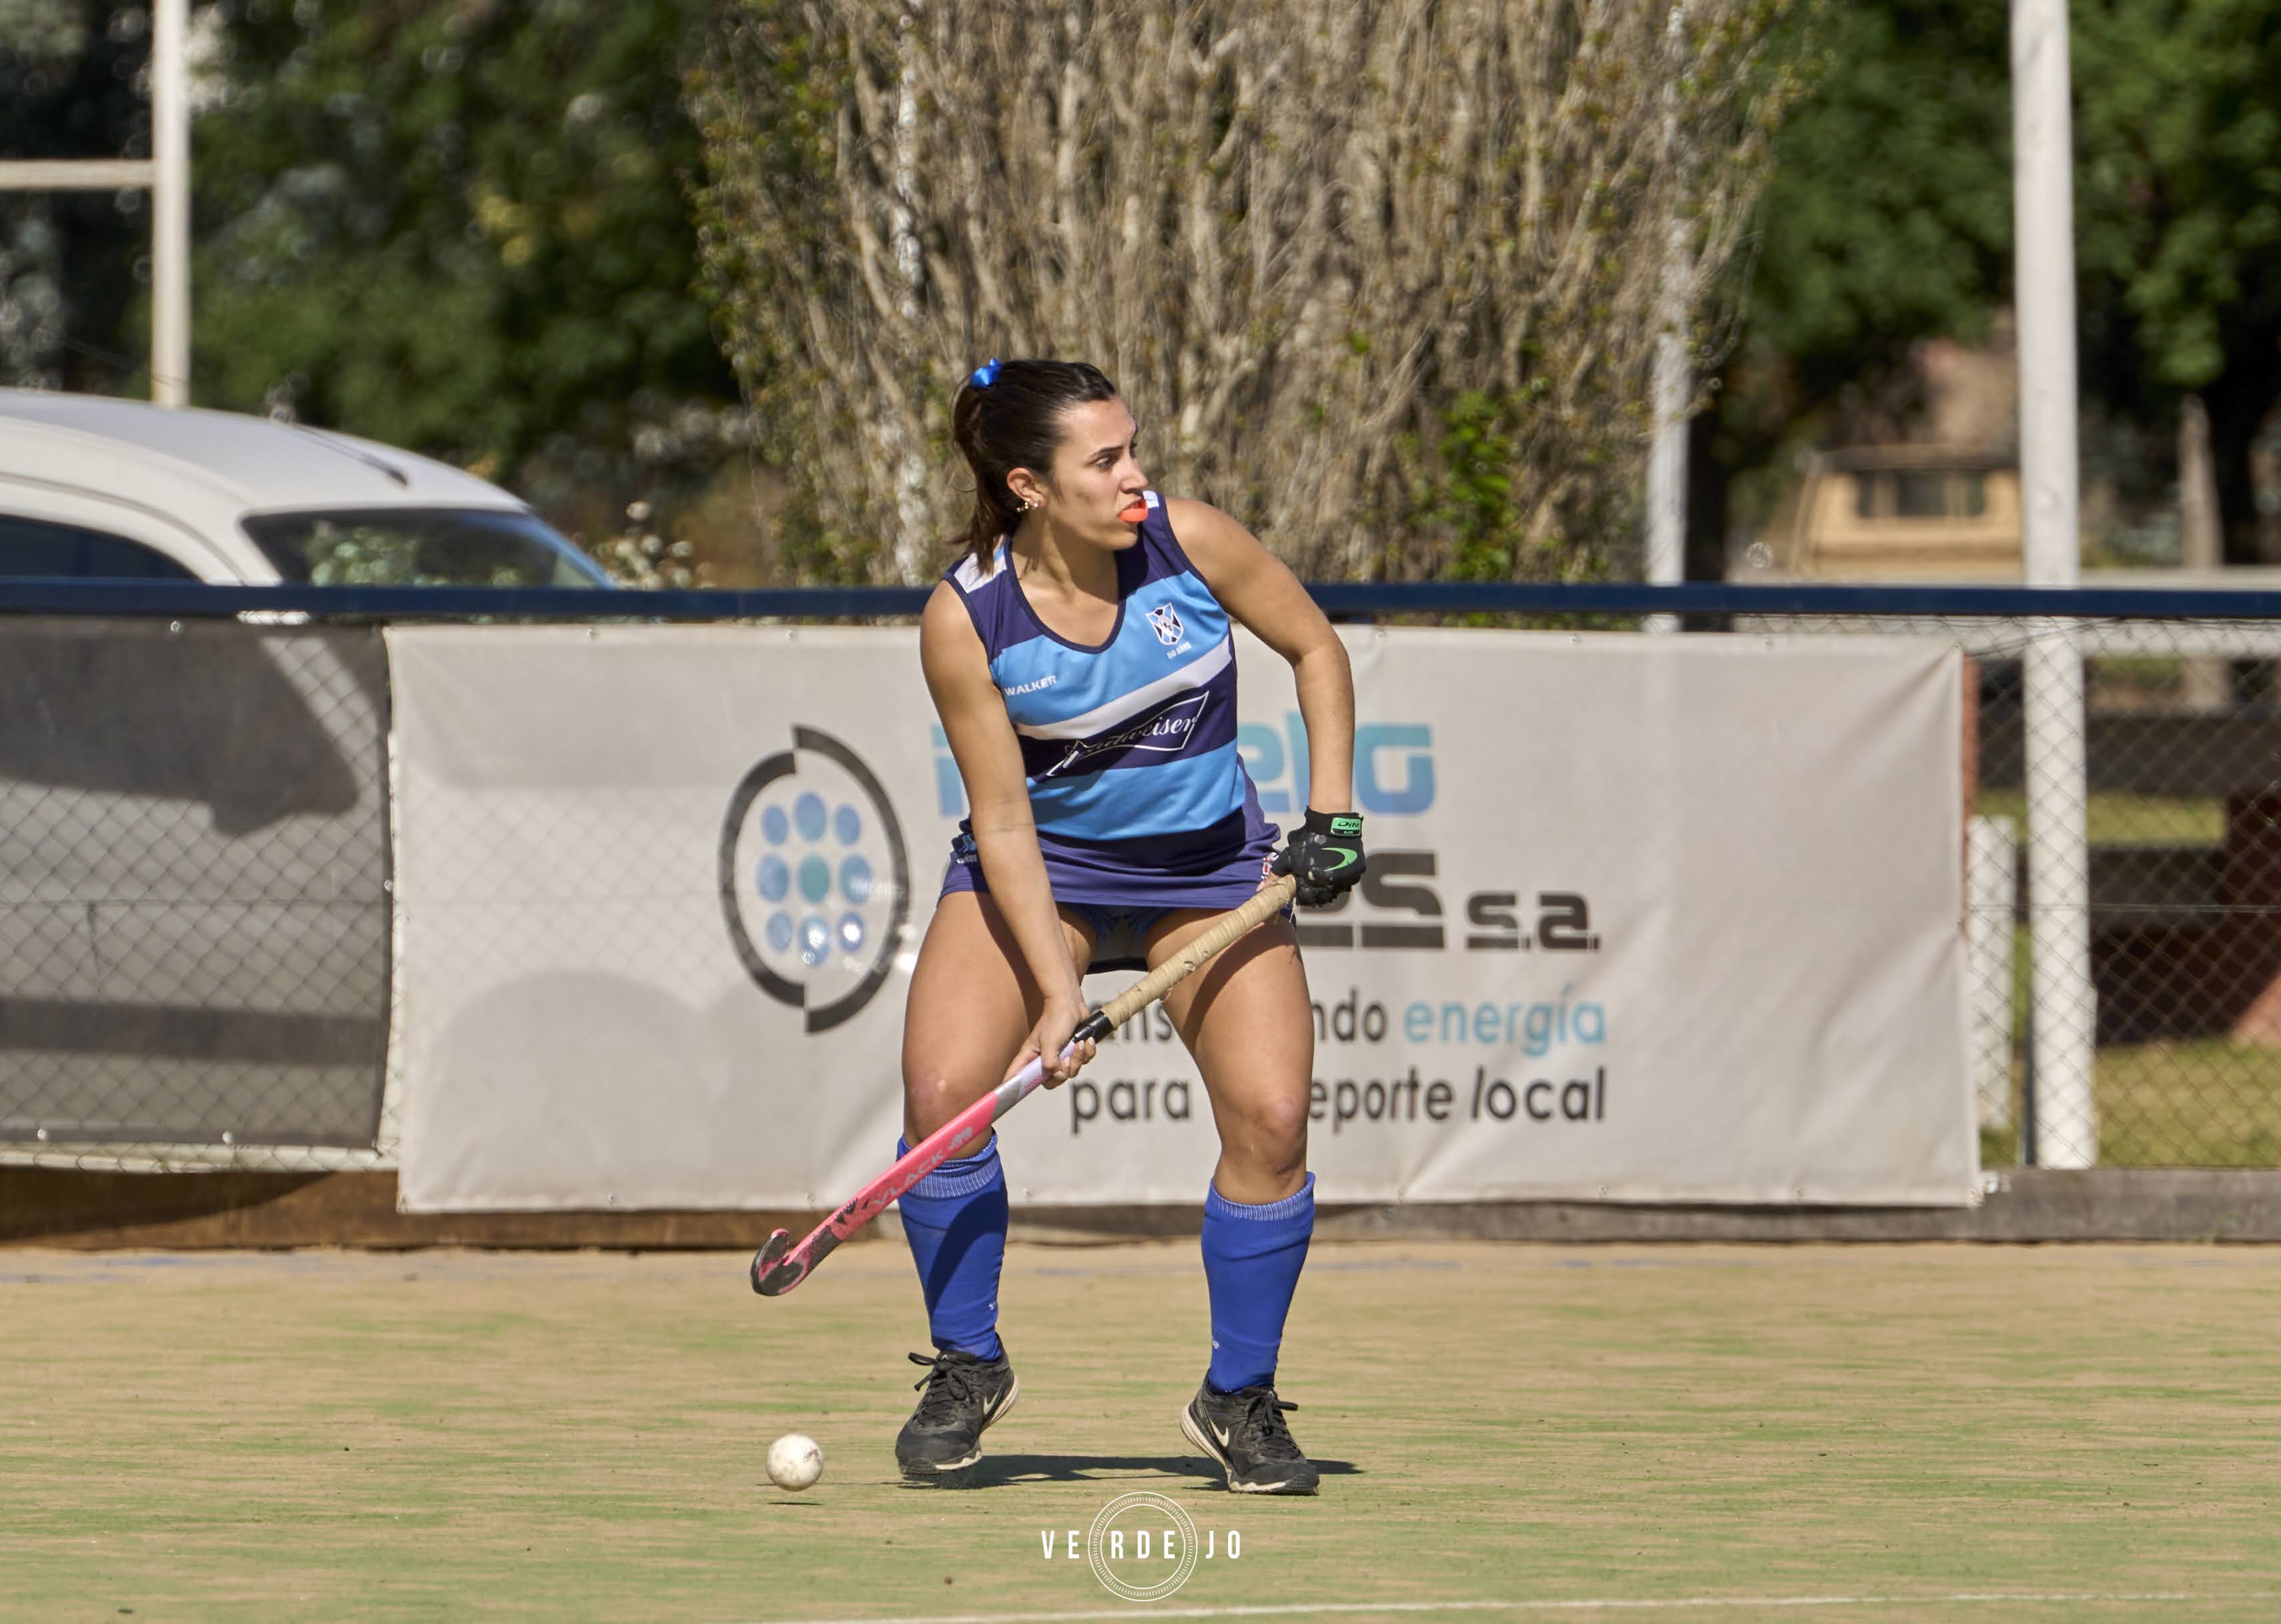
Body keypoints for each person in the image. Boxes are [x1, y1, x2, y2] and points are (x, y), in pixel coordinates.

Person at [892, 357, 1365, 1495]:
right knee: (941, 1099)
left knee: (1272, 1113)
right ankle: (967, 1364)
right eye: (1104, 460)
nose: (1135, 476)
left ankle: (1238, 1393)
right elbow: (1002, 822)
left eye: (1132, 446)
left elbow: (1316, 648)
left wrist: (1332, 814)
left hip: (1206, 874)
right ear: (1028, 487)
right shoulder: (968, 619)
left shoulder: (1191, 543)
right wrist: (1057, 990)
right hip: (1043, 878)